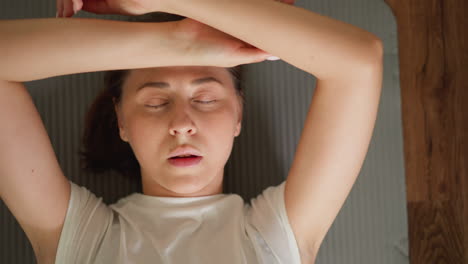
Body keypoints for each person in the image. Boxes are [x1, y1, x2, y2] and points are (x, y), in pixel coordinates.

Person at [0, 0, 383, 263]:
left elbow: (359, 62)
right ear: (122, 122)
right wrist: (175, 42)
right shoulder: (82, 238)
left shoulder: (275, 236)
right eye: (155, 101)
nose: (182, 123)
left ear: (238, 116)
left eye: (206, 98)